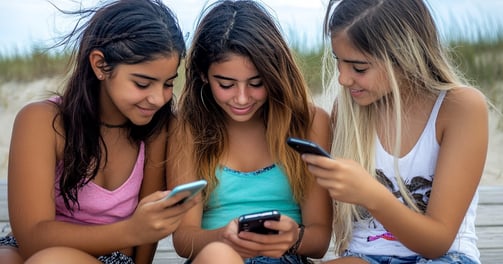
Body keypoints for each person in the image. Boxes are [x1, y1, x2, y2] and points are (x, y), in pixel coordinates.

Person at [0, 0, 200, 263]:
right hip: (35, 246)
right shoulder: (42, 121)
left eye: (168, 83)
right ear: (100, 65)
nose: (158, 98)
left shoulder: (159, 130)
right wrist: (131, 230)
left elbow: (144, 245)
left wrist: (136, 232)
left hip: (112, 256)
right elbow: (33, 235)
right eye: (142, 83)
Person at [301, 0, 489, 263]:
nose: (343, 79)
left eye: (359, 68)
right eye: (338, 61)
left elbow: (437, 243)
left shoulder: (459, 108)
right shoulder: (348, 112)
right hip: (365, 254)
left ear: (404, 57)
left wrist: (370, 194)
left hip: (445, 256)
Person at [168, 0, 333, 263]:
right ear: (203, 75)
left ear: (274, 74)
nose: (242, 99)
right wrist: (223, 237)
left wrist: (294, 238)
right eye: (226, 84)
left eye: (256, 83)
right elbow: (184, 239)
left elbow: (321, 240)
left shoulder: (309, 123)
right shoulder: (187, 129)